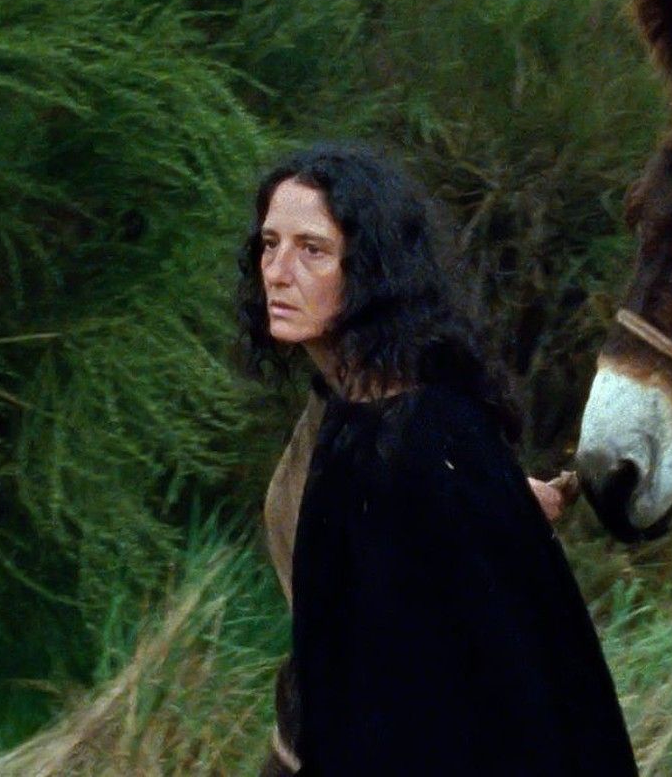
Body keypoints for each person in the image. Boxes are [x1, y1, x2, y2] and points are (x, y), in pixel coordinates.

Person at [237, 145, 637, 775]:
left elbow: (501, 688)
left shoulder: (423, 435)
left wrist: (478, 510)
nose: (278, 271)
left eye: (311, 249)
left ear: (370, 269)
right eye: (269, 244)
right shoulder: (343, 410)